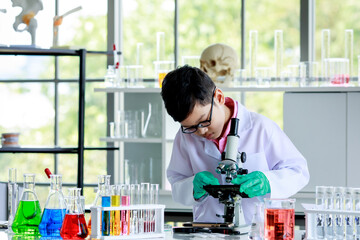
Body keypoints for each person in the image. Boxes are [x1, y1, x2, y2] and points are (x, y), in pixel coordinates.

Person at [161, 65, 310, 224]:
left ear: (218, 97)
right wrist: (193, 186)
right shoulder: (185, 137)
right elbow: (176, 181)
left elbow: (299, 171)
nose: (202, 131)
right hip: (208, 230)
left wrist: (268, 181)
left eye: (204, 120)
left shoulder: (261, 127)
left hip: (256, 229)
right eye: (191, 127)